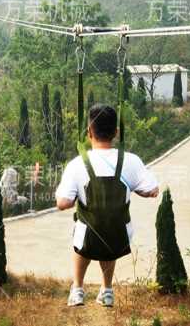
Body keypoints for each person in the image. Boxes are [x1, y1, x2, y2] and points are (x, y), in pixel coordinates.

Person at [56, 104, 159, 307]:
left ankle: (77, 289)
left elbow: (63, 203)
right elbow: (152, 190)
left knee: (83, 229)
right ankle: (107, 290)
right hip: (119, 234)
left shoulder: (77, 164)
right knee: (108, 228)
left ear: (89, 132)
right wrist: (133, 188)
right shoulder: (131, 161)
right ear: (116, 132)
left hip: (88, 235)